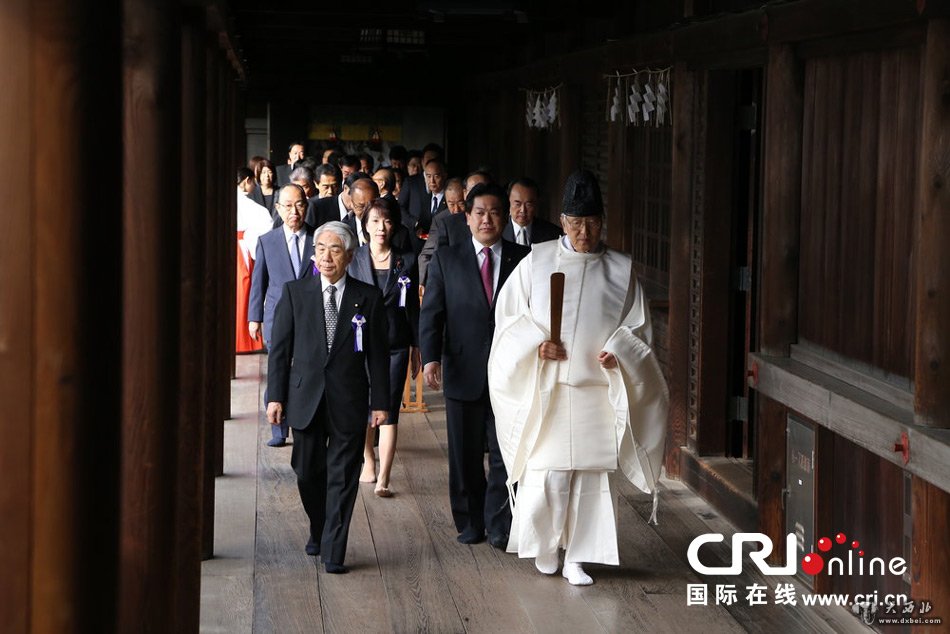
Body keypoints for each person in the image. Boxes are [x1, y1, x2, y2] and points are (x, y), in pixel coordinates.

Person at [487, 170, 669, 586]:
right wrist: (536, 345)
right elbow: (508, 319)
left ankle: (579, 557)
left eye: (591, 223)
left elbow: (638, 329)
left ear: (602, 221)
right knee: (549, 471)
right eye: (575, 223)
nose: (584, 232)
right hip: (548, 387)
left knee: (589, 477)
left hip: (595, 391)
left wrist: (619, 353)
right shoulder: (537, 261)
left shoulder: (621, 269)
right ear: (563, 221)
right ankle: (546, 547)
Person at [267, 221, 390, 574]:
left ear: (350, 256)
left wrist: (380, 402)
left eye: (335, 249)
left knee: (343, 473)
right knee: (306, 471)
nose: (326, 256)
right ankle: (319, 527)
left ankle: (334, 548)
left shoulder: (367, 297)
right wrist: (275, 396)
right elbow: (280, 351)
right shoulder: (295, 293)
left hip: (348, 399)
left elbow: (378, 355)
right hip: (304, 397)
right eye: (320, 248)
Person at [419, 183, 530, 547]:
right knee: (464, 454)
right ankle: (469, 521)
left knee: (504, 452)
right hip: (462, 367)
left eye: (495, 212)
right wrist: (431, 357)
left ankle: (500, 523)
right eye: (479, 212)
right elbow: (432, 312)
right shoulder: (448, 259)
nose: (487, 219)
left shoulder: (523, 258)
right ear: (466, 217)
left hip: (511, 373)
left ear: (506, 216)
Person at [348, 197, 420, 497]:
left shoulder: (407, 261)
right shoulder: (353, 259)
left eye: (387, 221)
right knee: (366, 405)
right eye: (375, 221)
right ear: (365, 225)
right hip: (359, 344)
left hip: (395, 344)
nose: (381, 227)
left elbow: (412, 309)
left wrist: (418, 346)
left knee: (389, 409)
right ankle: (368, 460)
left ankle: (384, 478)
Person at [248, 184, 315, 446]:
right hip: (277, 316)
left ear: (306, 206)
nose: (294, 211)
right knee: (278, 368)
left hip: (310, 317)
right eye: (287, 206)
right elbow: (259, 282)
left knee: (303, 369)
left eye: (299, 204)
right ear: (278, 208)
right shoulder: (267, 241)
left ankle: (301, 420)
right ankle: (278, 428)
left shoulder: (316, 238)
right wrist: (255, 317)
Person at [236, 167, 272, 354]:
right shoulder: (250, 205)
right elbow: (265, 226)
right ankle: (242, 340)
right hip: (242, 250)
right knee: (244, 291)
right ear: (247, 181)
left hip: (239, 247)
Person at [502, 177, 561, 246]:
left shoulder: (553, 233)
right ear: (508, 203)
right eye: (517, 204)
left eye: (528, 204)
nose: (523, 210)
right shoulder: (498, 231)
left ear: (536, 204)